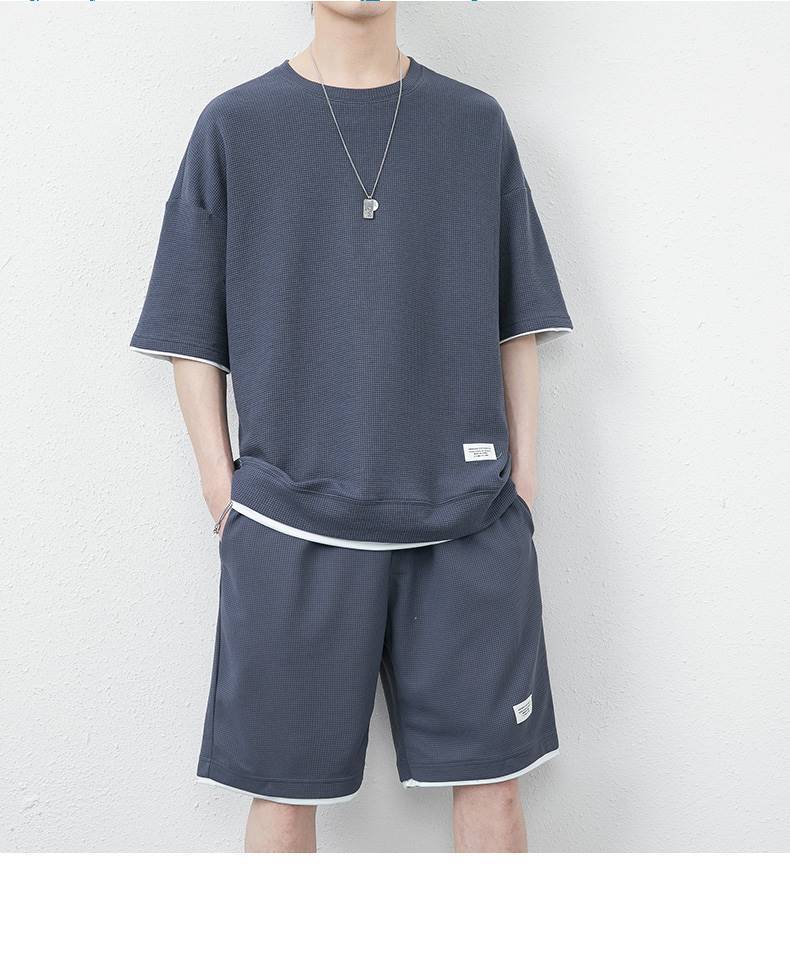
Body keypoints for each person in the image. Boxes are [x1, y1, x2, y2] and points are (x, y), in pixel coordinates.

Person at [131, 0, 572, 853]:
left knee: (495, 793)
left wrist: (522, 483)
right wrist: (223, 490)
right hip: (290, 523)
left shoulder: (475, 124)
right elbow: (190, 331)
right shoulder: (234, 125)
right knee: (281, 798)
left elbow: (516, 320)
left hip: (470, 520)